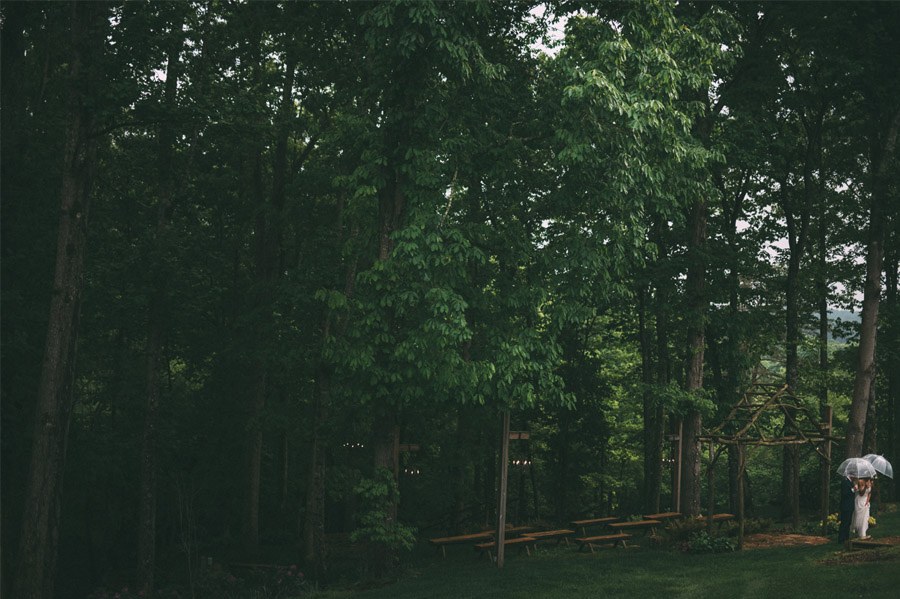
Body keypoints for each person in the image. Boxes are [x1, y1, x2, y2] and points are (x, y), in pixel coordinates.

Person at [838, 476, 855, 544]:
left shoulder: (850, 482)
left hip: (849, 506)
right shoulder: (845, 482)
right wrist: (853, 489)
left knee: (848, 522)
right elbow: (845, 493)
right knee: (844, 523)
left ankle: (846, 538)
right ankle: (841, 539)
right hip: (845, 506)